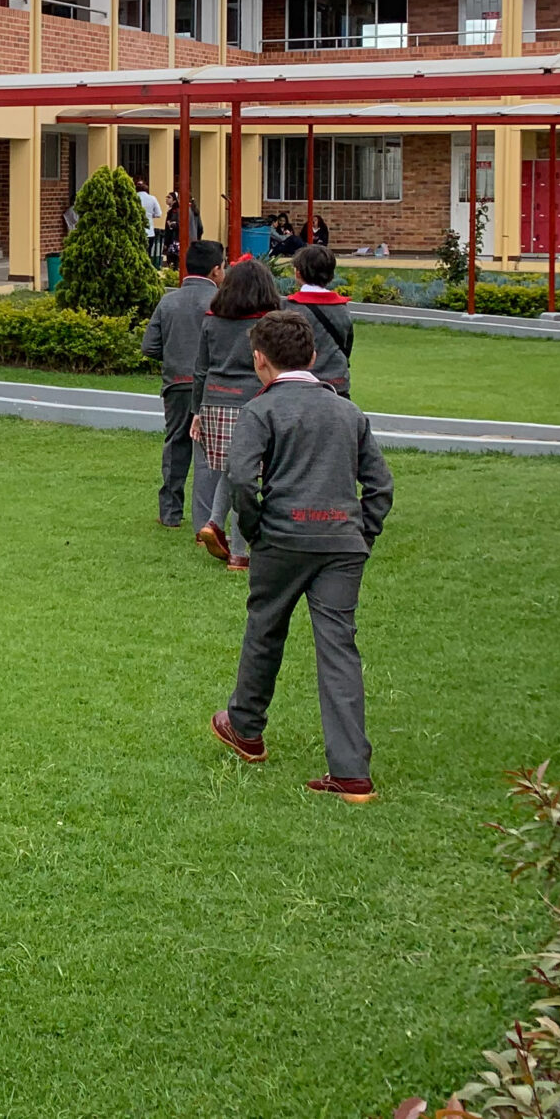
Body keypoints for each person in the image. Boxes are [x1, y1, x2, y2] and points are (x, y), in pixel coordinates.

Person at [210, 308, 395, 804]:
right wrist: (362, 535)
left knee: (265, 629)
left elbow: (242, 479)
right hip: (341, 543)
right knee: (339, 648)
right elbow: (380, 486)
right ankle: (351, 773)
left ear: (259, 360)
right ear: (313, 356)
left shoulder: (260, 411)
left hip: (282, 538)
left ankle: (246, 727)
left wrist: (254, 530)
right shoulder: (348, 411)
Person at [193, 254, 283, 568]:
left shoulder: (211, 319)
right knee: (246, 475)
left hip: (214, 401)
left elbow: (201, 369)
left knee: (231, 471)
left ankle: (214, 522)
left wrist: (196, 411)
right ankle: (241, 552)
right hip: (253, 403)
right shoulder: (268, 324)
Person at [142, 237, 225, 532]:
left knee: (176, 445)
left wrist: (174, 356)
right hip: (213, 386)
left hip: (176, 383)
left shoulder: (168, 301)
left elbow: (149, 346)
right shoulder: (220, 303)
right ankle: (211, 516)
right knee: (211, 450)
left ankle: (170, 513)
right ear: (216, 270)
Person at [284, 242, 354, 393]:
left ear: (298, 273)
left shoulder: (289, 308)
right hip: (337, 383)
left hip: (300, 385)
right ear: (331, 275)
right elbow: (347, 345)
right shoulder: (342, 308)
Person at [136, 179, 165, 263]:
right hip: (149, 231)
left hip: (136, 231)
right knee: (147, 254)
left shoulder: (133, 197)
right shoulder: (152, 198)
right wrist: (150, 215)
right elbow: (159, 214)